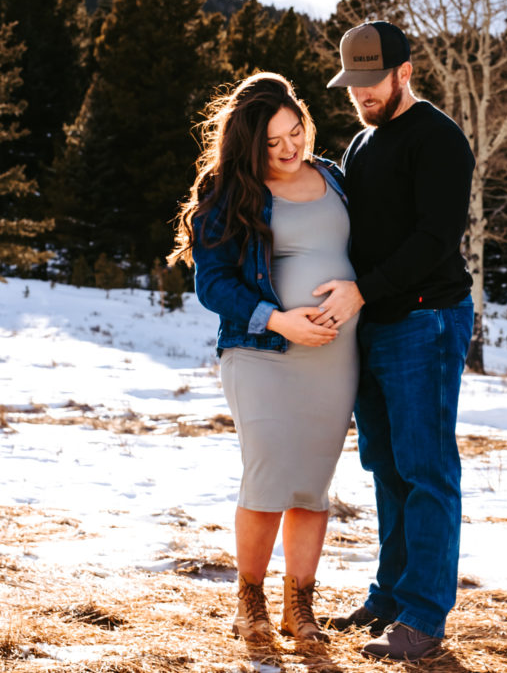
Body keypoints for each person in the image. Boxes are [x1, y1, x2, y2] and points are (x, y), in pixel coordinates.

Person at [168, 72, 357, 645]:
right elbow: (214, 285)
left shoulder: (335, 178)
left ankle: (299, 608)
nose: (289, 149)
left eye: (295, 132)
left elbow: (367, 250)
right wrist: (280, 320)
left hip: (334, 356)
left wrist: (359, 290)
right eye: (273, 143)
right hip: (262, 351)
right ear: (250, 146)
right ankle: (249, 602)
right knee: (270, 471)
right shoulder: (232, 193)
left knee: (312, 484)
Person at [313, 21, 475, 662]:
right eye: (351, 83)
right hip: (375, 325)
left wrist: (364, 289)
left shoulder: (438, 140)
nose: (361, 94)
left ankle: (424, 618)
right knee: (385, 467)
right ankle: (389, 597)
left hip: (424, 321)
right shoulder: (361, 141)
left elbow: (434, 240)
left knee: (426, 469)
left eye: (371, 81)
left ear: (404, 72)